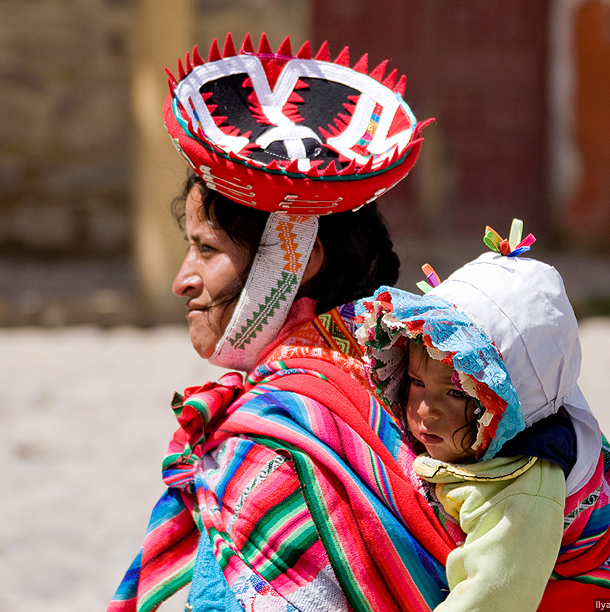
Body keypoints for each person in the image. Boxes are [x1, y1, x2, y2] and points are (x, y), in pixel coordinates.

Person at [108, 33, 457, 612]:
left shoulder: (269, 448)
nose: (183, 280)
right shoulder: (414, 377)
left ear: (295, 261)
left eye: (208, 250)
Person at [354, 221, 610, 611]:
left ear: (513, 400)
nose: (425, 411)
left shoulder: (524, 490)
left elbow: (492, 598)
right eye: (415, 383)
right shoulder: (476, 443)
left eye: (454, 392)